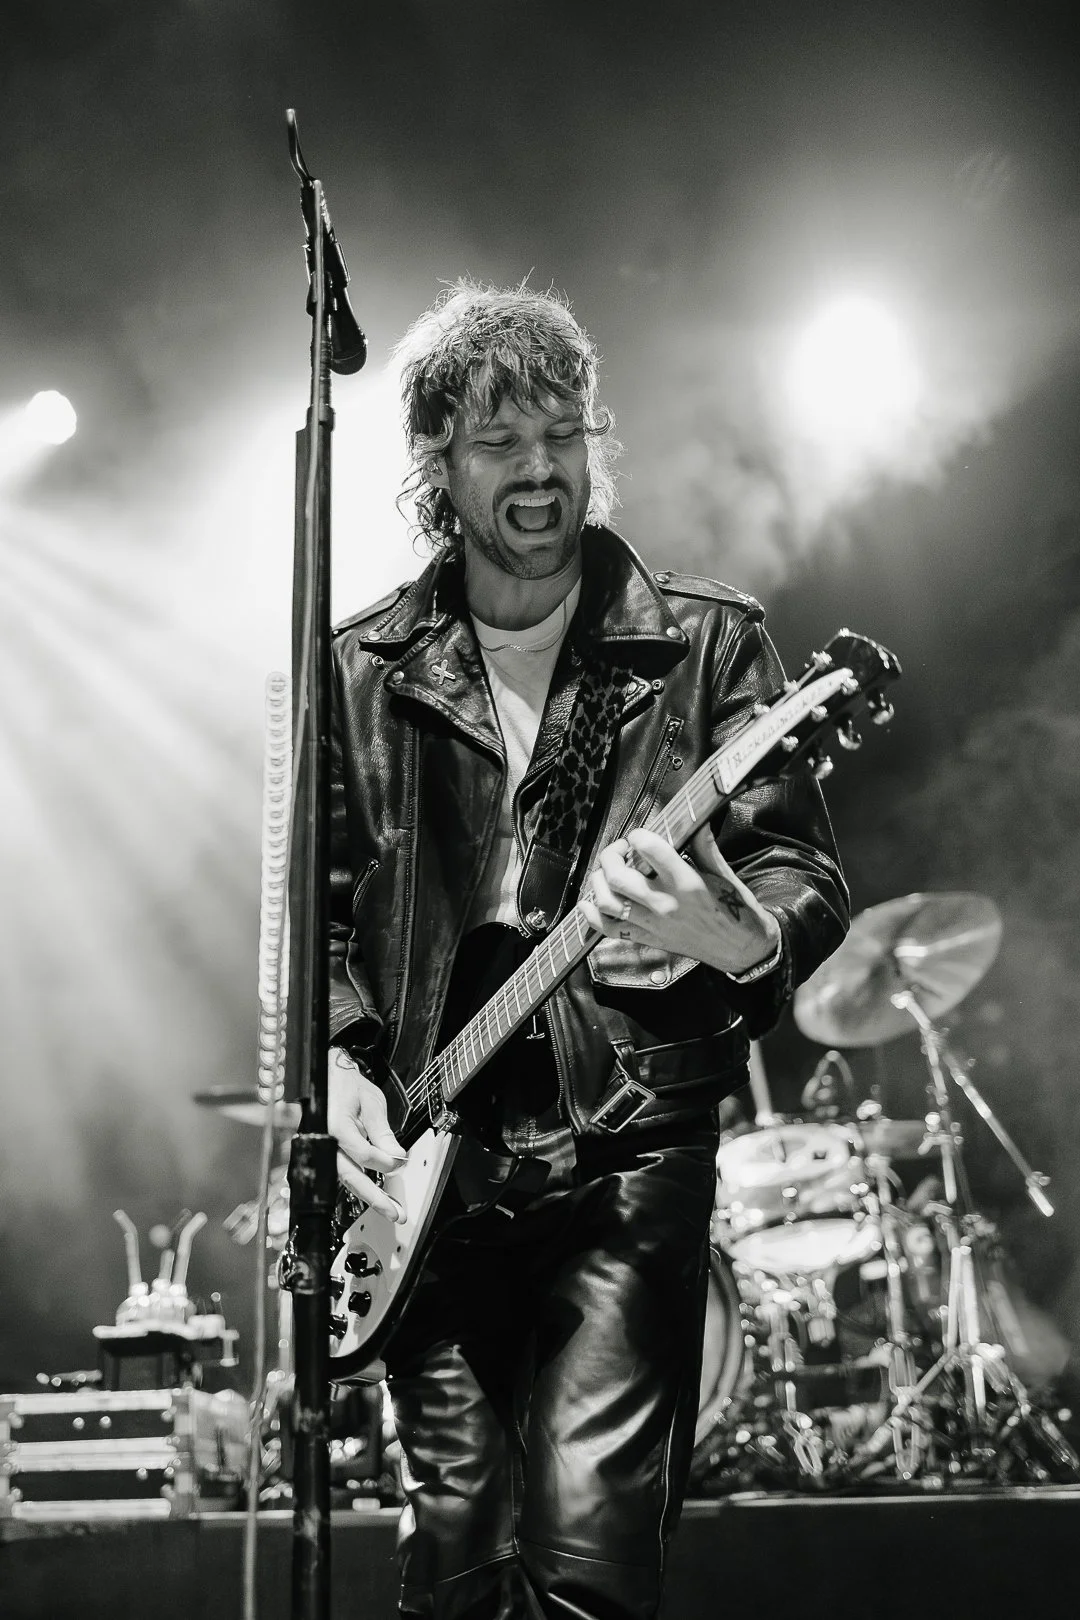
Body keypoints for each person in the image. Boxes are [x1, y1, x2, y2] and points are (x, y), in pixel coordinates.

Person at [326, 280, 849, 1620]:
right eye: (502, 442)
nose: (542, 469)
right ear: (437, 461)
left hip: (626, 1153)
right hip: (427, 1176)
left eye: (564, 434)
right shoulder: (362, 671)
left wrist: (728, 932)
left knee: (588, 1570)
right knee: (452, 1565)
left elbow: (800, 877)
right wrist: (334, 1067)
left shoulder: (707, 643)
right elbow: (309, 923)